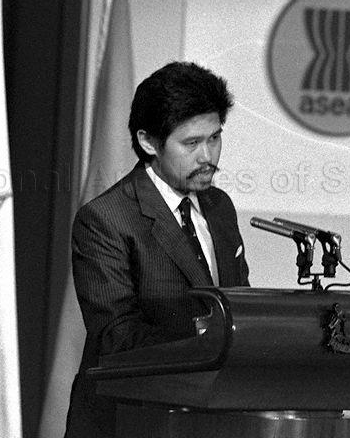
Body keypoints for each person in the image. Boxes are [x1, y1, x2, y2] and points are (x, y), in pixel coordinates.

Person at [64, 61, 250, 438]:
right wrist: (209, 338)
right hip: (130, 420)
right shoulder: (105, 218)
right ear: (149, 142)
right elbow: (117, 336)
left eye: (214, 138)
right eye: (191, 143)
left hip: (211, 418)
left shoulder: (220, 206)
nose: (208, 156)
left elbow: (238, 303)